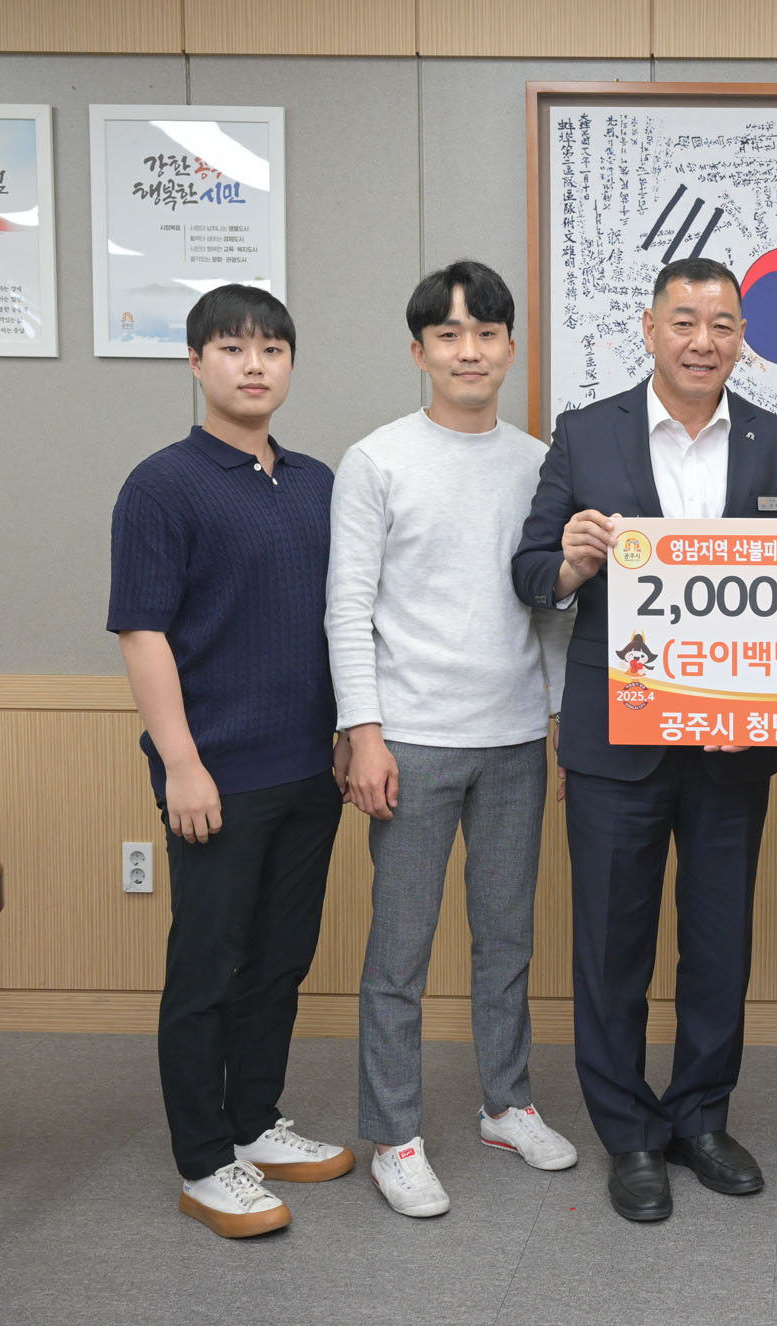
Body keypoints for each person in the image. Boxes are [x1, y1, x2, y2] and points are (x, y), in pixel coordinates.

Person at [510, 257, 777, 1223]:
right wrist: (569, 562)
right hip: (616, 738)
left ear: (743, 340)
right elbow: (528, 571)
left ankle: (700, 1117)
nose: (702, 340)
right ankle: (631, 1134)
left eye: (722, 324)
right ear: (649, 331)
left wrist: (767, 694)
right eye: (683, 321)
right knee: (613, 945)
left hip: (735, 740)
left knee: (720, 944)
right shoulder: (584, 433)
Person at [329, 261, 580, 1220]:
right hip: (412, 741)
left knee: (507, 940)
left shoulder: (539, 462)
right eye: (448, 335)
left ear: (511, 346)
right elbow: (347, 608)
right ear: (419, 351)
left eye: (486, 333)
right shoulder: (377, 459)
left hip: (515, 738)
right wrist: (364, 732)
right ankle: (394, 1136)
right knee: (399, 953)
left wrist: (561, 724)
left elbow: (549, 608)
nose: (468, 351)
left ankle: (506, 1105)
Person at [108, 285, 354, 1240]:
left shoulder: (319, 482)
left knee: (280, 962)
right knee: (207, 969)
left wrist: (350, 730)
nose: (254, 365)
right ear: (195, 360)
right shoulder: (162, 485)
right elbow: (142, 633)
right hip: (215, 774)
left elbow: (343, 620)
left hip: (310, 769)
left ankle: (254, 1120)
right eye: (232, 348)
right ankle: (206, 1161)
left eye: (272, 349)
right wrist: (181, 763)